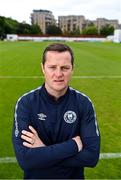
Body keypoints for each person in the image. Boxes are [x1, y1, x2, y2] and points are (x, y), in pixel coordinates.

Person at [12, 43, 100, 179]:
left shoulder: (83, 103)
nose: (58, 74)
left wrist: (42, 152)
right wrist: (73, 145)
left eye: (65, 68)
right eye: (52, 67)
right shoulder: (26, 103)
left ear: (72, 69)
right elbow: (25, 160)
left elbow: (91, 157)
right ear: (43, 68)